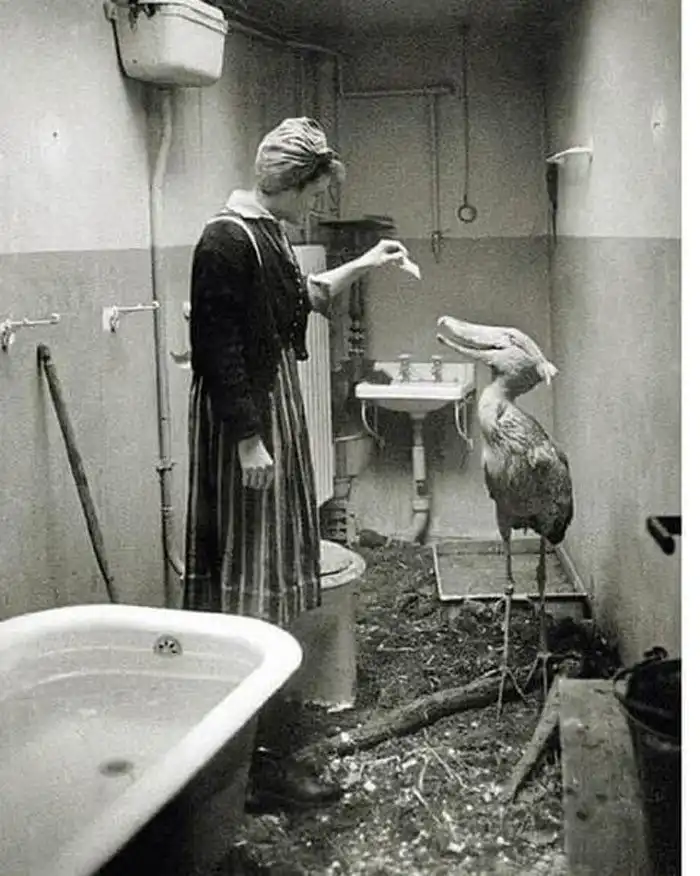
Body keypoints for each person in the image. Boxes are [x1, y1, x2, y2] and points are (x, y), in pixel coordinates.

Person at [184, 117, 410, 812]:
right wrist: (248, 439)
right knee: (253, 576)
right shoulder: (226, 240)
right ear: (291, 181)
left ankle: (261, 747)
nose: (317, 204)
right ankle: (252, 765)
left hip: (269, 405)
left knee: (275, 570)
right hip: (246, 418)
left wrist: (366, 263)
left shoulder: (268, 233)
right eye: (315, 191)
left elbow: (302, 297)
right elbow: (216, 347)